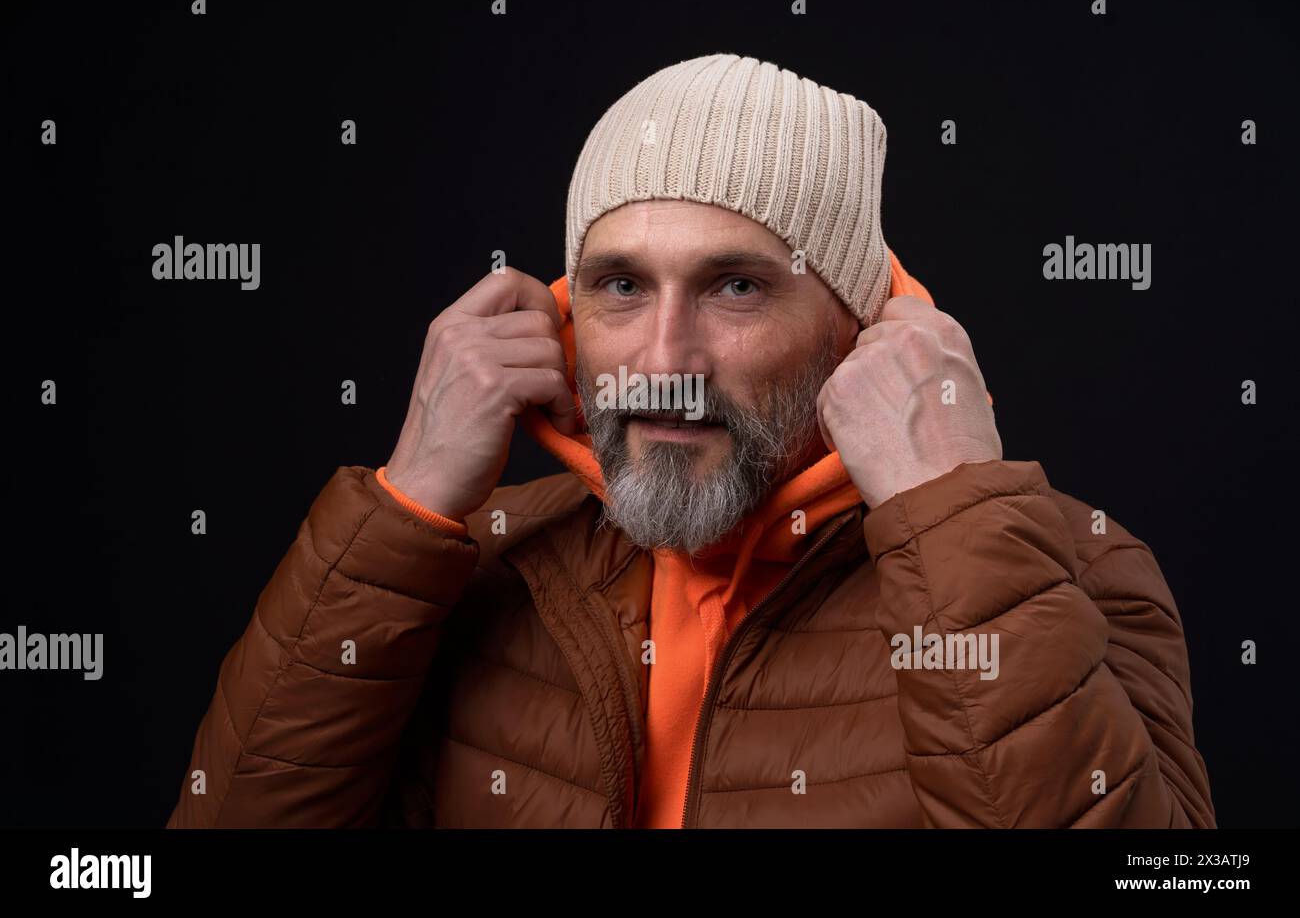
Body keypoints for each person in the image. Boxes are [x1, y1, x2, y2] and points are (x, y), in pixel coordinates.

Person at [167, 53, 1215, 828]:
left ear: (863, 327)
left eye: (737, 285)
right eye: (621, 284)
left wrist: (953, 517)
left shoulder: (1061, 564)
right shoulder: (470, 558)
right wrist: (405, 507)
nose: (664, 353)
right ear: (569, 313)